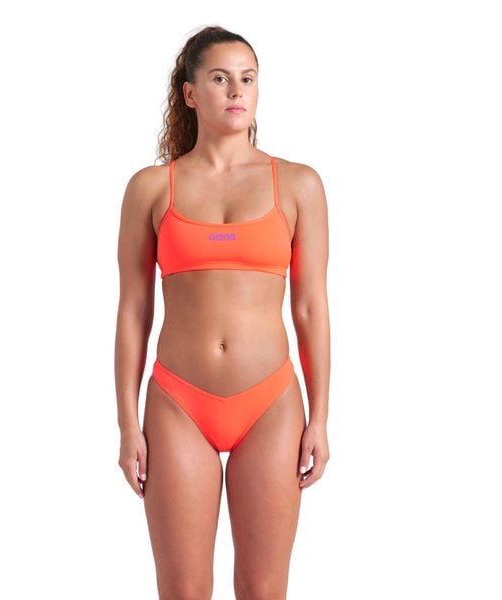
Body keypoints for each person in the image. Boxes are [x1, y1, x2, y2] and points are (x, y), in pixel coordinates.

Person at [114, 25, 330, 600]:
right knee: (184, 591)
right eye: (220, 78)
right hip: (178, 404)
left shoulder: (298, 184)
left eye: (247, 78)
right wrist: (127, 423)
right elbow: (133, 310)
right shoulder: (151, 188)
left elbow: (311, 308)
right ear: (190, 93)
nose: (237, 91)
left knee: (263, 590)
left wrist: (320, 417)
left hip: (271, 403)